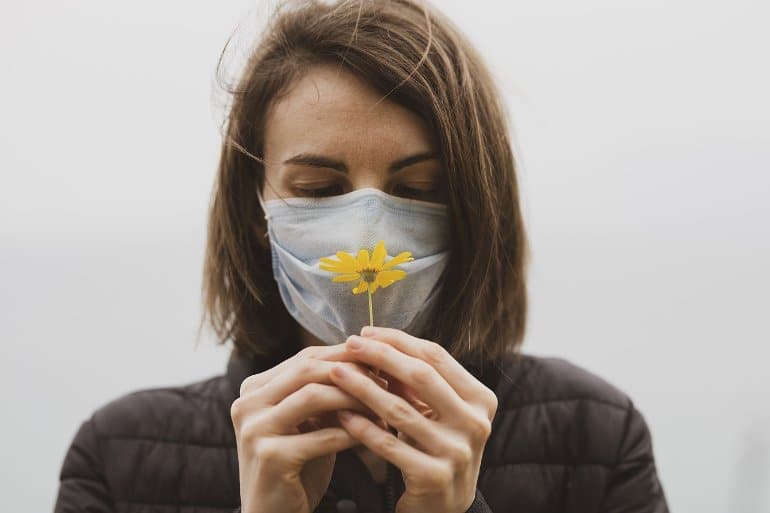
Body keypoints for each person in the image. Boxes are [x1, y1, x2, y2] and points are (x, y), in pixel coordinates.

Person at [54, 1, 669, 512]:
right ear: (255, 214)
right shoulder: (115, 457)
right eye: (319, 190)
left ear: (475, 210)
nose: (365, 234)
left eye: (418, 190)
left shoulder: (598, 438)